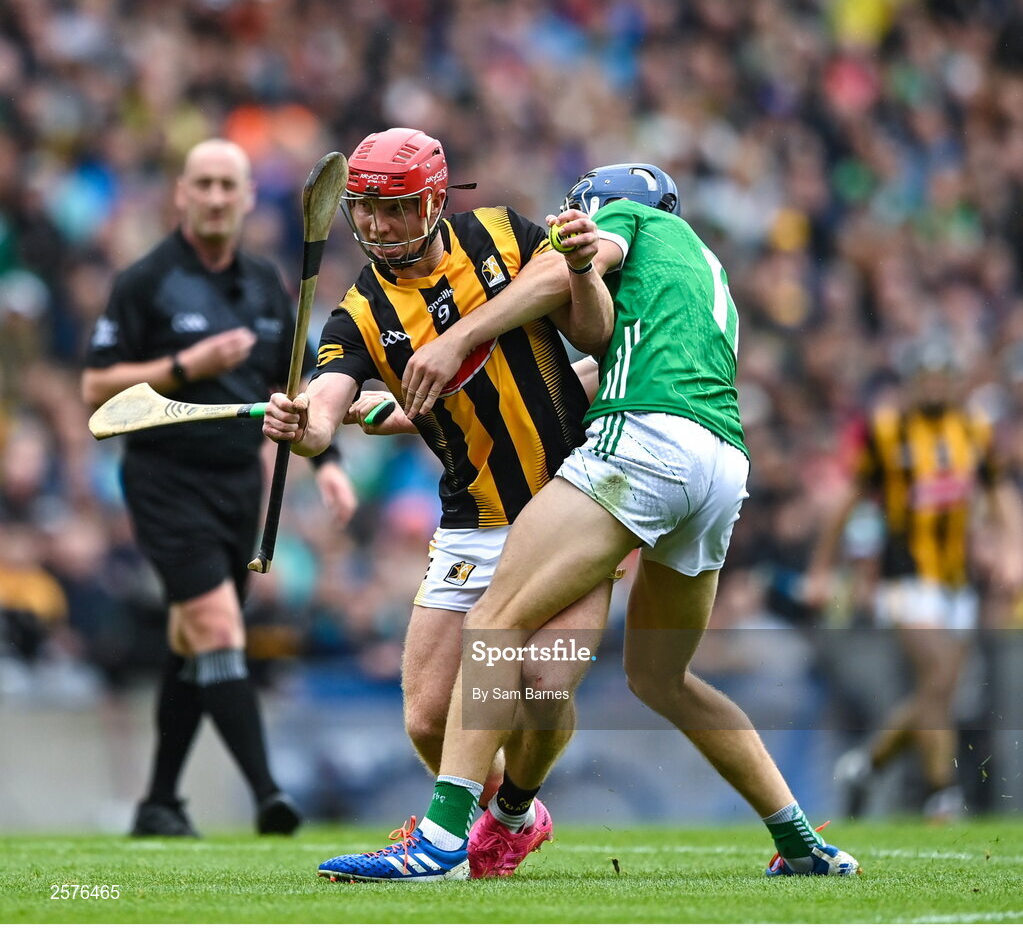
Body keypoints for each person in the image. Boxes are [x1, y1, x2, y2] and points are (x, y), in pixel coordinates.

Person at [317, 163, 860, 881]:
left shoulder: (628, 221)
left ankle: (442, 843)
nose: (570, 220)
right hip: (720, 464)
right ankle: (802, 843)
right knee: (663, 677)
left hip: (643, 447)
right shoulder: (699, 267)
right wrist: (394, 408)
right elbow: (600, 367)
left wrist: (462, 334)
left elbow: (565, 281)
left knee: (492, 622)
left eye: (580, 210)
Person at [262, 127, 612, 878]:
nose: (379, 226)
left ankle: (502, 814)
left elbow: (589, 323)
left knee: (544, 685)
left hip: (566, 502)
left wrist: (471, 332)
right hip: (470, 519)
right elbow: (327, 403)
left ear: (433, 201)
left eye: (394, 209)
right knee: (426, 716)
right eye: (365, 210)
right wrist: (302, 426)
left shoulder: (501, 234)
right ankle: (507, 817)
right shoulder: (357, 310)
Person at [81, 138, 357, 838]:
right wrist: (186, 363)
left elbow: (294, 391)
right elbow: (95, 388)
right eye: (200, 183)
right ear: (181, 193)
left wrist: (325, 463)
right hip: (165, 478)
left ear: (242, 198)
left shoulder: (266, 284)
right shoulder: (145, 281)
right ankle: (270, 796)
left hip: (240, 483)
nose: (212, 197)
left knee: (193, 640)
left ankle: (159, 803)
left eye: (225, 186)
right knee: (218, 628)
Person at [805, 336, 1023, 821]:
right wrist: (822, 569)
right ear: (911, 382)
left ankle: (866, 764)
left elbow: (1000, 490)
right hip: (905, 578)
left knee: (938, 689)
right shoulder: (889, 431)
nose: (934, 385)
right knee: (940, 676)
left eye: (942, 376)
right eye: (925, 377)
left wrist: (1013, 549)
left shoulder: (973, 430)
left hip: (957, 580)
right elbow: (848, 502)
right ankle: (941, 796)